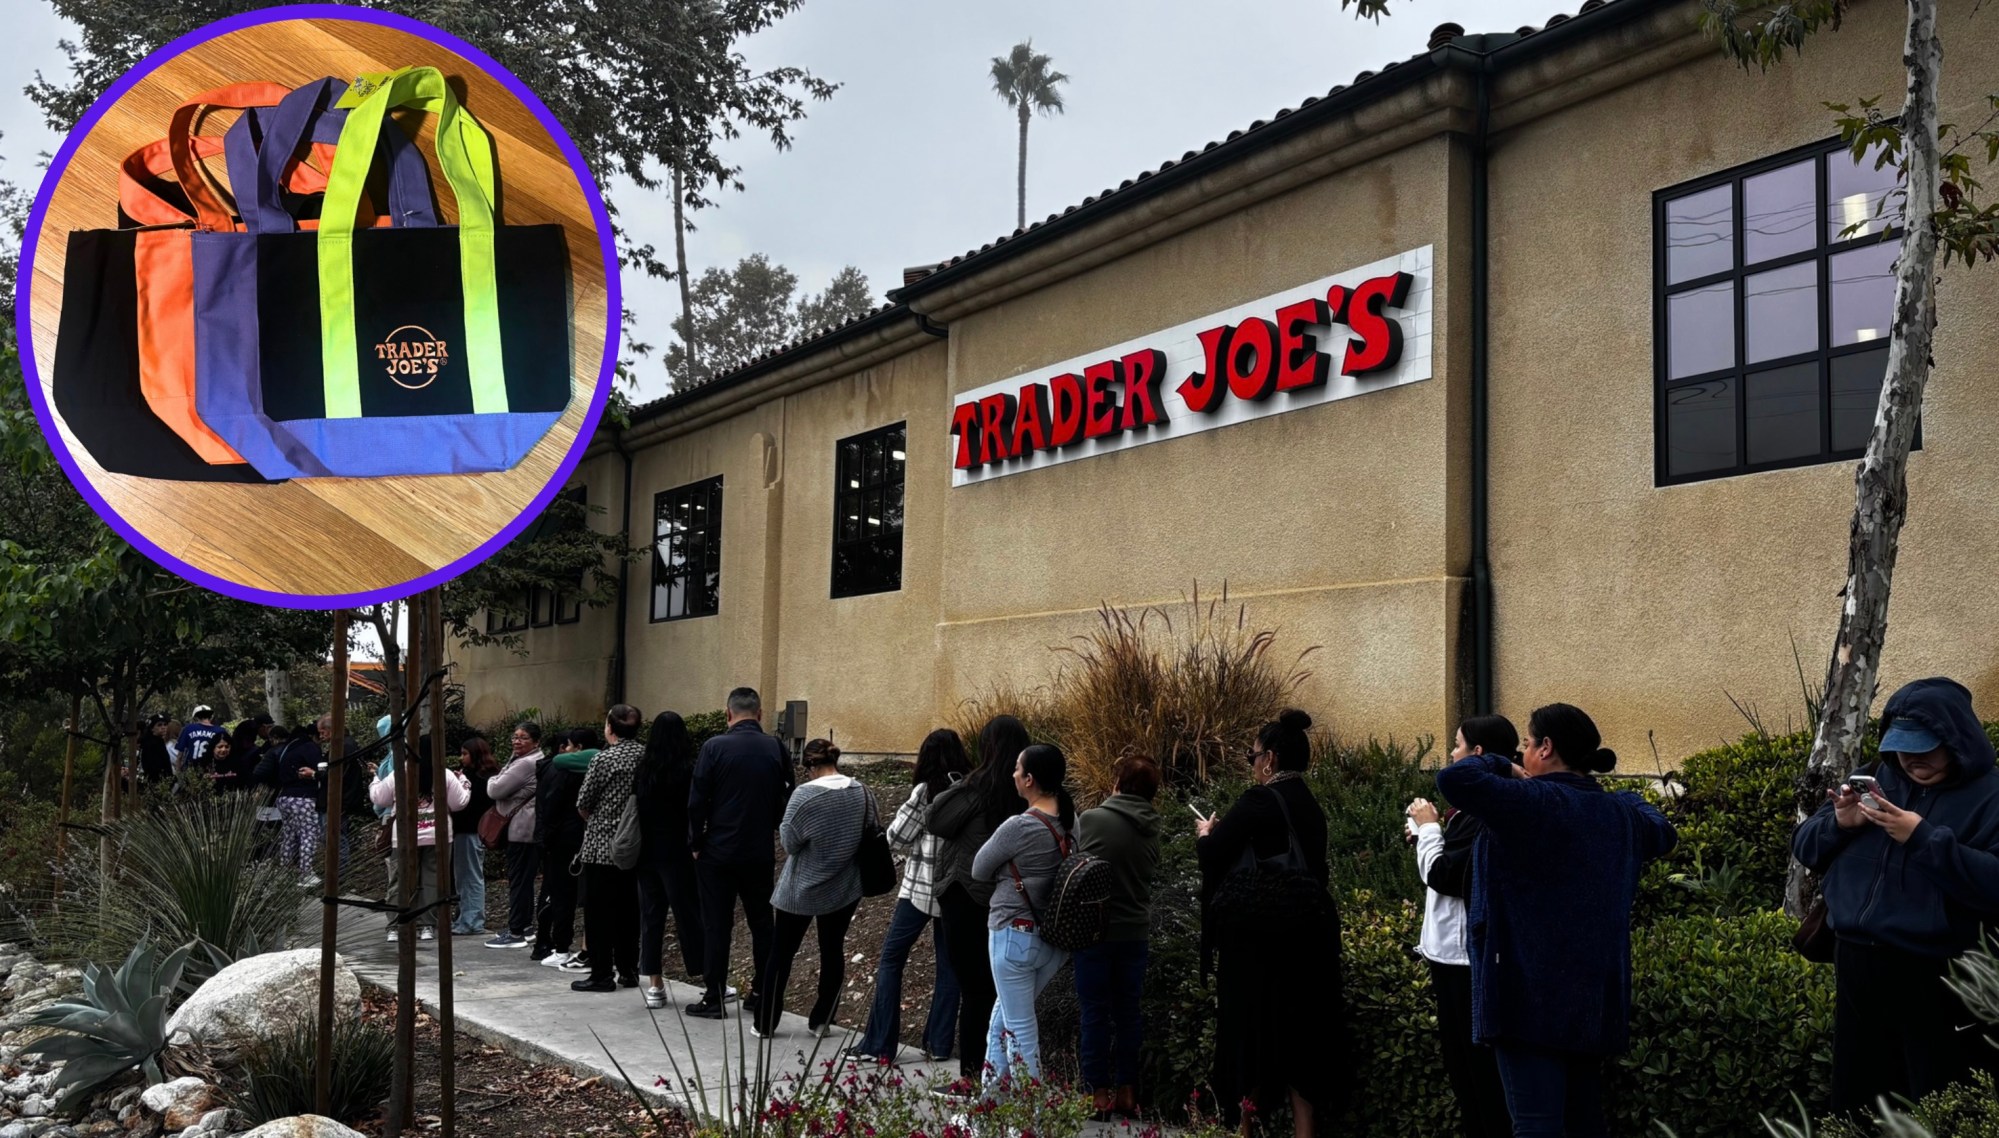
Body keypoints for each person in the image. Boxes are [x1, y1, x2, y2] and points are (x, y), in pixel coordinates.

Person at [1437, 703, 1677, 1138]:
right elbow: (1661, 829)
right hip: (1594, 997)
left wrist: (1501, 765)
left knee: (1536, 1125)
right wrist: (1620, 797)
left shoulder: (1532, 801)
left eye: (1526, 745)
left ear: (1546, 748)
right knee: (1584, 1122)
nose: (1522, 755)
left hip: (1526, 995)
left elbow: (1454, 778)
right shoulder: (1618, 815)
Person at [1793, 677, 1999, 1118]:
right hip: (1857, 963)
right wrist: (1840, 824)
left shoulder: (1990, 797)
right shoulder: (1879, 778)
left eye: (1924, 747)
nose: (1910, 758)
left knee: (1933, 1100)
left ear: (1955, 740)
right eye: (1902, 746)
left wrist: (1922, 838)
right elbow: (1806, 846)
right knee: (1857, 1100)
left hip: (1935, 972)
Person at [1196, 709, 1345, 1138]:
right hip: (1309, 940)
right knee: (1301, 1040)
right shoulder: (1310, 805)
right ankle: (1305, 1131)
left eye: (1253, 755)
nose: (1253, 763)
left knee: (1251, 1037)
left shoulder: (1258, 800)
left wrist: (1206, 833)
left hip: (1259, 945)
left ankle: (1245, 1129)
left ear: (1270, 760)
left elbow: (1213, 855)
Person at [1409, 717, 1516, 1138]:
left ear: (1476, 755)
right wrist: (1426, 833)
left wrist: (1430, 830)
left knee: (1477, 1076)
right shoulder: (1471, 813)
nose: (1450, 755)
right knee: (1464, 1072)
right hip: (1450, 956)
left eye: (1456, 746)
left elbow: (1444, 876)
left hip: (1463, 961)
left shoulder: (1487, 814)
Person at [851, 728, 970, 1064]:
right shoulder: (969, 788)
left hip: (919, 889)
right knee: (949, 969)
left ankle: (879, 1043)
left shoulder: (926, 791)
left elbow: (897, 836)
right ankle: (939, 1044)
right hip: (954, 893)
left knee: (891, 960)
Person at [927, 715, 1031, 1082]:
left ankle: (971, 1076)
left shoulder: (977, 789)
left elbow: (935, 818)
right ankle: (1002, 1074)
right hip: (1012, 903)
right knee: (1003, 994)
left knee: (973, 990)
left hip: (967, 898)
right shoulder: (1028, 793)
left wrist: (970, 777)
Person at [967, 742, 1078, 1084]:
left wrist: (1008, 874)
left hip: (1014, 937)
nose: (1013, 773)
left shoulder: (1018, 826)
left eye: (1017, 768)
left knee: (1019, 1031)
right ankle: (988, 1112)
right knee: (1002, 1019)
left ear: (1029, 779)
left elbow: (979, 869)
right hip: (1054, 940)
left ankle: (1031, 1120)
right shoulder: (1073, 820)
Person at [752, 739, 871, 1036]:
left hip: (801, 889)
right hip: (845, 887)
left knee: (781, 955)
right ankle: (822, 1020)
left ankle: (765, 1022)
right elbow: (869, 830)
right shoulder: (862, 792)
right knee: (832, 950)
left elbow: (790, 842)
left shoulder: (804, 796)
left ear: (811, 766)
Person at [686, 687, 791, 1020]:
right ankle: (761, 991)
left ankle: (715, 994)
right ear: (759, 714)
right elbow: (786, 796)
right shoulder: (776, 747)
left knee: (717, 923)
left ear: (727, 714)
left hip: (718, 850)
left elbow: (696, 799)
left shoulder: (714, 747)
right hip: (758, 850)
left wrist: (696, 841)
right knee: (762, 923)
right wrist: (772, 827)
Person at [1075, 751, 1163, 1118]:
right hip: (1135, 932)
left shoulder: (1093, 820)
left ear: (1117, 784)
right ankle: (1128, 1091)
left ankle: (1098, 1093)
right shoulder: (1153, 828)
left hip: (1095, 931)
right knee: (1128, 1012)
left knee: (1094, 1011)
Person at [635, 712, 709, 1006]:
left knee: (651, 917)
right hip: (678, 851)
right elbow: (695, 808)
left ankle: (654, 985)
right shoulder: (688, 769)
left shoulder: (644, 769)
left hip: (646, 851)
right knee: (688, 915)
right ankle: (707, 978)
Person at [572, 704, 646, 993]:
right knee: (629, 910)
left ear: (610, 728)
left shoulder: (604, 759)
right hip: (636, 844)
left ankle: (601, 973)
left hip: (603, 844)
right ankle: (629, 969)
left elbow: (583, 803)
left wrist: (600, 820)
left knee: (599, 912)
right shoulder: (646, 756)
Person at [370, 736, 471, 943]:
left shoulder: (399, 772)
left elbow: (380, 798)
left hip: (405, 836)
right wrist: (464, 782)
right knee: (433, 880)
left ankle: (395, 926)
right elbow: (459, 802)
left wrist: (374, 780)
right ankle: (427, 926)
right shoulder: (444, 774)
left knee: (400, 881)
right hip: (438, 835)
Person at [536, 728, 596, 970]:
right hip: (590, 838)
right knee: (589, 896)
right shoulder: (599, 766)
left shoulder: (562, 771)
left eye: (569, 745)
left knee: (562, 895)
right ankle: (589, 949)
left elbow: (551, 805)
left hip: (563, 840)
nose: (565, 749)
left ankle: (561, 947)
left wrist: (546, 838)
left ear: (578, 747)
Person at [484, 722, 543, 949]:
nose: (516, 741)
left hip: (521, 830)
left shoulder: (526, 764)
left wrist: (493, 780)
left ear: (536, 742)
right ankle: (525, 927)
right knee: (524, 880)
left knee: (518, 880)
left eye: (524, 738)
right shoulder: (527, 760)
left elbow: (495, 790)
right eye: (515, 737)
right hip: (526, 828)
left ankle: (517, 930)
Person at [258, 722, 324, 883]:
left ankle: (285, 870)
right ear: (312, 736)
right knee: (308, 834)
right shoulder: (309, 748)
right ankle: (306, 872)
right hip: (304, 797)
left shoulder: (287, 749)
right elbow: (321, 770)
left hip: (284, 797)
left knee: (289, 835)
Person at [450, 735, 500, 936]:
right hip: (471, 831)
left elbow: (467, 805)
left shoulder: (477, 779)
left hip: (469, 830)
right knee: (466, 876)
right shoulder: (486, 776)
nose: (461, 758)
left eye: (465, 754)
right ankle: (466, 918)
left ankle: (471, 921)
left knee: (469, 876)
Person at [177, 706, 227, 776]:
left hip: (191, 772)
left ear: (195, 717)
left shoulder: (188, 729)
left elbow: (180, 756)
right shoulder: (221, 731)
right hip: (213, 771)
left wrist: (179, 774)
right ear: (211, 717)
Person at [137, 715, 174, 788]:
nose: (163, 727)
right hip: (156, 783)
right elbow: (153, 767)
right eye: (159, 725)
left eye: (165, 724)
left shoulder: (158, 741)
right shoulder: (151, 744)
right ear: (152, 728)